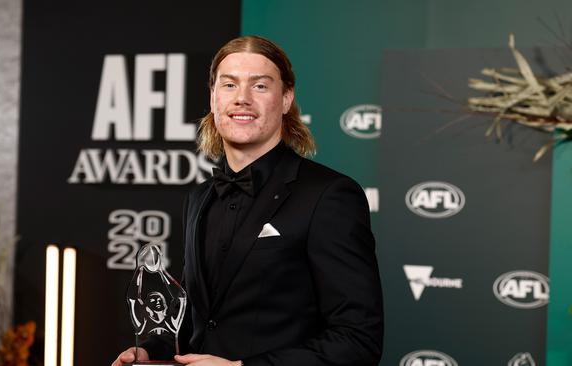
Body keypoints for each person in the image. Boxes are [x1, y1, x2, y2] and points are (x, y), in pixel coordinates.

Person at [113, 35, 383, 366]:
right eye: (229, 85)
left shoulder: (329, 195)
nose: (242, 99)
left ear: (286, 99)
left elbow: (358, 340)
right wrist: (152, 352)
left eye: (259, 86)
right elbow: (199, 321)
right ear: (213, 99)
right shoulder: (199, 198)